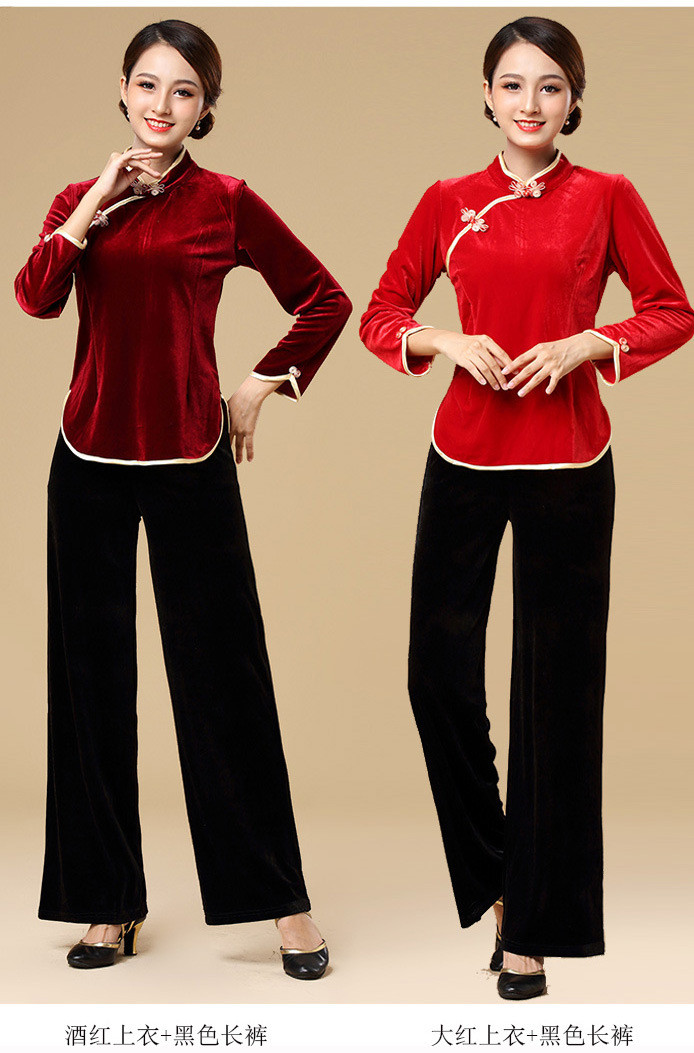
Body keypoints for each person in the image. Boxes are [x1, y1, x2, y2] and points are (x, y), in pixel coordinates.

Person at [359, 15, 693, 1000]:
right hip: (463, 452)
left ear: (573, 100)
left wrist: (593, 342)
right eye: (512, 84)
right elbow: (382, 312)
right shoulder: (446, 200)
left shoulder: (607, 195)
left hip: (570, 461)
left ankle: (532, 934)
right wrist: (445, 342)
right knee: (436, 680)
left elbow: (672, 308)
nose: (530, 102)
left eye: (550, 85)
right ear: (486, 95)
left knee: (556, 701)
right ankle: (504, 886)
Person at [14, 18, 351, 977]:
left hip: (191, 454)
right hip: (87, 456)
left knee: (224, 681)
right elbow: (34, 296)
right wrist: (91, 206)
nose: (162, 105)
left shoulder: (226, 201)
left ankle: (282, 903)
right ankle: (105, 904)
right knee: (88, 685)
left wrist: (261, 382)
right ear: (123, 91)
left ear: (205, 108)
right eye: (148, 85)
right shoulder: (80, 200)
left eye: (184, 91)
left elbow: (324, 299)